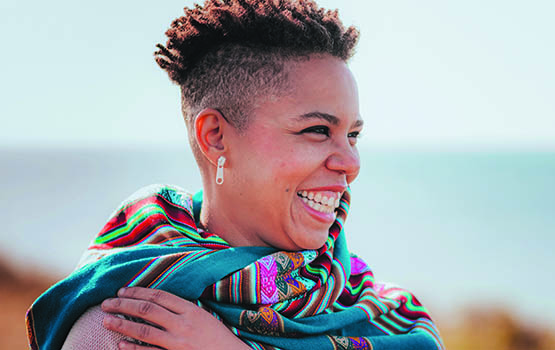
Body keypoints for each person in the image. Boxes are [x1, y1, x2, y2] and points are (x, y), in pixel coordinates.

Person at [26, 1, 444, 349]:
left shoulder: (375, 309)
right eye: (317, 130)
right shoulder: (126, 325)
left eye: (352, 134)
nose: (350, 162)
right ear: (216, 137)